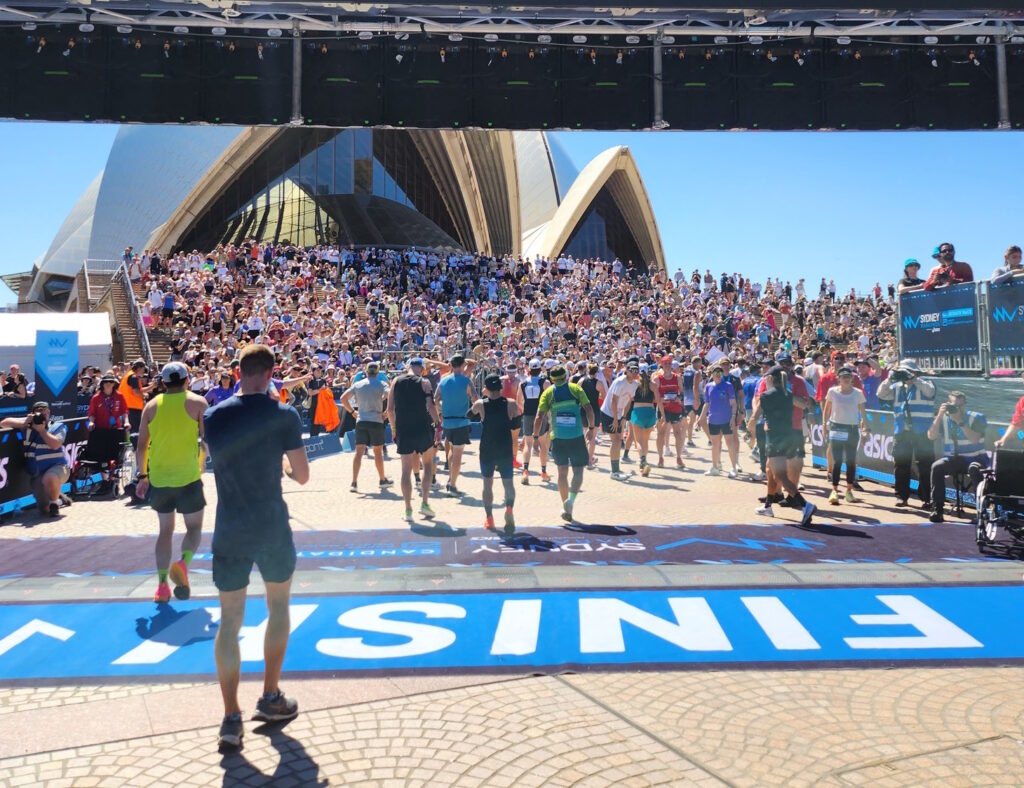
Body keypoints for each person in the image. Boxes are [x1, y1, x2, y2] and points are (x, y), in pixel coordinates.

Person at [203, 344, 310, 751]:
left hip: (230, 525)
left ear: (238, 372)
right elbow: (302, 475)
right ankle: (270, 696)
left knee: (230, 620)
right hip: (270, 524)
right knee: (278, 606)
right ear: (271, 373)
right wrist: (282, 465)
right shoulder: (284, 414)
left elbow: (220, 461)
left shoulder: (214, 416)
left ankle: (230, 717)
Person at [134, 362, 208, 603]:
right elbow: (207, 441)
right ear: (187, 380)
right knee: (194, 529)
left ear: (163, 383)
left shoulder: (151, 406)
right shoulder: (198, 403)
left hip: (160, 477)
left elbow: (141, 446)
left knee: (165, 531)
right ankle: (183, 564)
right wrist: (203, 462)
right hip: (188, 476)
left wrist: (142, 476)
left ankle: (162, 586)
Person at [746, 367, 817, 526]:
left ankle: (805, 505)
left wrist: (750, 434)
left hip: (774, 438)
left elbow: (754, 418)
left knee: (780, 476)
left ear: (771, 379)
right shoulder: (788, 394)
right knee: (770, 470)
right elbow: (804, 404)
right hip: (789, 436)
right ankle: (768, 506)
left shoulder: (766, 396)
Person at [533, 364, 595, 521]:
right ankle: (571, 501)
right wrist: (591, 428)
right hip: (576, 436)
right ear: (566, 376)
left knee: (562, 473)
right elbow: (589, 409)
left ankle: (565, 505)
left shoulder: (548, 393)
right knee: (578, 471)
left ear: (552, 379)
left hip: (558, 438)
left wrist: (535, 437)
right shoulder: (575, 388)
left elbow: (539, 417)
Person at [877, 359, 936, 508]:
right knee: (901, 465)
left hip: (922, 431)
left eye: (908, 371)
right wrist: (889, 378)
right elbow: (881, 394)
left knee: (925, 466)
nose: (905, 374)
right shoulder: (897, 386)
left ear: (915, 372)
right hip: (902, 431)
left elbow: (930, 392)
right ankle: (901, 497)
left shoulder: (926, 383)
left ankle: (927, 499)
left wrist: (914, 379)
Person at [387, 357, 441, 522]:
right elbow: (430, 406)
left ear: (408, 367)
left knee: (406, 470)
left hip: (404, 429)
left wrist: (394, 429)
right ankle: (424, 503)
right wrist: (438, 426)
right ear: (422, 369)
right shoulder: (424, 382)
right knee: (428, 465)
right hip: (423, 428)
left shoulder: (396, 381)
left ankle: (408, 509)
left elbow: (390, 410)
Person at [926, 390, 988, 523]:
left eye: (960, 406)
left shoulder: (976, 417)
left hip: (976, 458)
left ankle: (981, 511)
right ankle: (937, 509)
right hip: (954, 459)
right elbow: (931, 436)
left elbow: (974, 439)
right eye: (954, 405)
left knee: (974, 468)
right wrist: (939, 415)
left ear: (965, 405)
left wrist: (960, 422)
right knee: (936, 467)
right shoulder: (944, 418)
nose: (958, 409)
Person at [471, 373, 522, 535]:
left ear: (486, 388)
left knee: (487, 484)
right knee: (508, 484)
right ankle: (509, 510)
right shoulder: (511, 404)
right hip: (505, 447)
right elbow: (516, 425)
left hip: (487, 448)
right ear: (500, 388)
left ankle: (489, 517)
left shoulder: (480, 404)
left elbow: (469, 415)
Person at [0, 401, 70, 517]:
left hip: (58, 468)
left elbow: (56, 444)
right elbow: (3, 423)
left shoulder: (58, 426)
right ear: (33, 414)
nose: (42, 415)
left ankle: (54, 503)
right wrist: (24, 422)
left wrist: (42, 431)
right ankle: (58, 496)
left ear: (49, 413)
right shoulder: (28, 425)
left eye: (44, 412)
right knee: (43, 509)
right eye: (39, 412)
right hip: (38, 474)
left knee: (49, 478)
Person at [340, 357, 392, 492]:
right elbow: (392, 395)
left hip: (361, 420)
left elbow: (343, 398)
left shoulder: (358, 384)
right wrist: (387, 411)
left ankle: (354, 482)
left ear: (366, 371)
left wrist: (352, 412)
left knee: (358, 453)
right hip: (376, 420)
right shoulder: (381, 384)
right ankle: (382, 479)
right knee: (378, 452)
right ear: (378, 372)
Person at [823, 366, 869, 505]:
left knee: (850, 460)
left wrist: (866, 428)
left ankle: (849, 490)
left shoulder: (857, 393)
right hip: (836, 428)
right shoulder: (832, 392)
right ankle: (834, 490)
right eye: (843, 377)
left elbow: (863, 412)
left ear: (852, 378)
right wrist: (824, 426)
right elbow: (826, 409)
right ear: (839, 378)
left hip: (852, 429)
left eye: (848, 377)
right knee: (837, 461)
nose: (846, 379)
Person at [435, 353, 475, 497]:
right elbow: (475, 398)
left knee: (452, 449)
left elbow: (436, 399)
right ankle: (452, 485)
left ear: (451, 365)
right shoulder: (466, 381)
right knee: (458, 453)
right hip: (461, 421)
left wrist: (440, 413)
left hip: (447, 422)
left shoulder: (443, 381)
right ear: (463, 365)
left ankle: (451, 478)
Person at [84, 372, 129, 492]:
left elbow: (124, 411)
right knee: (102, 458)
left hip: (115, 430)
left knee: (117, 457)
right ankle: (105, 482)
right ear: (102, 384)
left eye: (111, 382)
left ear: (114, 384)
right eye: (106, 382)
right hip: (101, 431)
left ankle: (114, 479)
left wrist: (126, 422)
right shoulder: (96, 397)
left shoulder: (119, 396)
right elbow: (91, 413)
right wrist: (91, 422)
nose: (109, 384)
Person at [601, 360, 640, 481]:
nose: (635, 372)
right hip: (609, 412)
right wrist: (615, 419)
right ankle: (614, 471)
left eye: (637, 370)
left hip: (618, 414)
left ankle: (616, 469)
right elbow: (614, 400)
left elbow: (629, 401)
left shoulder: (635, 384)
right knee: (616, 441)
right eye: (632, 370)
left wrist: (623, 417)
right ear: (626, 370)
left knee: (618, 440)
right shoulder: (620, 381)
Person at [699, 364, 738, 477]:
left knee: (729, 443)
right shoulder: (708, 386)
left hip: (726, 419)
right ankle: (715, 467)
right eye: (715, 372)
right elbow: (706, 404)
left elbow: (733, 403)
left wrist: (733, 417)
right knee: (715, 444)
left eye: (720, 372)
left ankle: (734, 468)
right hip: (713, 420)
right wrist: (701, 417)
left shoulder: (728, 385)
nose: (718, 374)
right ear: (712, 374)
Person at [516, 360, 550, 485]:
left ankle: (525, 470)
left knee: (528, 444)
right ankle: (543, 472)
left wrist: (524, 410)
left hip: (528, 415)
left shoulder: (523, 383)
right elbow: (550, 400)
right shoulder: (545, 383)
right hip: (541, 415)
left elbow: (518, 401)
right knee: (542, 444)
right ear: (540, 370)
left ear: (529, 370)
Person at [628, 363, 663, 477]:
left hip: (638, 411)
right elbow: (657, 399)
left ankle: (642, 460)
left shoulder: (635, 384)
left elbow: (630, 397)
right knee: (645, 441)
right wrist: (662, 414)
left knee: (638, 441)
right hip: (650, 412)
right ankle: (643, 466)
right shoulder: (653, 384)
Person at [654, 355, 686, 469]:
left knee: (678, 433)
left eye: (669, 363)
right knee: (660, 433)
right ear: (661, 365)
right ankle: (660, 458)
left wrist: (679, 398)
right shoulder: (657, 379)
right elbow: (655, 397)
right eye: (665, 363)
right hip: (663, 408)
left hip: (675, 408)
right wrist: (661, 400)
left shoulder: (677, 378)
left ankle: (679, 457)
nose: (667, 365)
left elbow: (682, 393)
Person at [119, 360, 156, 443]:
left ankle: (133, 447)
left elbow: (139, 390)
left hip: (128, 407)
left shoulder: (129, 375)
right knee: (135, 432)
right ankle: (136, 448)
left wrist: (152, 386)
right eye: (143, 369)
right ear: (139, 368)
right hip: (133, 408)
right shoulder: (133, 377)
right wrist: (144, 395)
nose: (144, 371)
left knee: (132, 431)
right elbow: (137, 392)